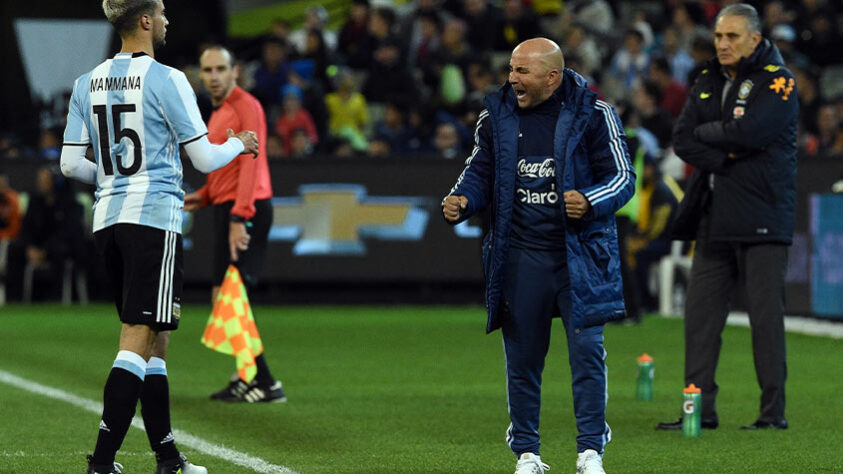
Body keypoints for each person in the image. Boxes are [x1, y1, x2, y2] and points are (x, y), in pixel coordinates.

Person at [59, 1, 259, 473]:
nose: (168, 21)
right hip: (152, 218)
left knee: (155, 338)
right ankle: (102, 463)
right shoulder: (167, 79)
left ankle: (168, 459)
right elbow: (206, 160)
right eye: (163, 13)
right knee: (137, 338)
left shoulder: (86, 82)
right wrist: (240, 143)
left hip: (108, 221)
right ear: (145, 21)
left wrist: (112, 182)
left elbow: (69, 164)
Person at [442, 38, 634, 474]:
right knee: (523, 358)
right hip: (520, 256)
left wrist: (588, 199)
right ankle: (527, 453)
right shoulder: (497, 115)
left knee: (587, 352)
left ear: (552, 77)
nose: (511, 79)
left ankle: (590, 451)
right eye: (510, 70)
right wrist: (463, 200)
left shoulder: (594, 114)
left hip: (579, 256)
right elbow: (479, 171)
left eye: (521, 72)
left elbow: (623, 177)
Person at [656, 3, 797, 432]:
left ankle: (772, 414)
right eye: (719, 36)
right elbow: (683, 140)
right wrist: (728, 149)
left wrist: (713, 137)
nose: (723, 44)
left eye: (732, 37)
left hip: (762, 216)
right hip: (713, 215)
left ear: (755, 39)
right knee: (699, 320)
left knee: (765, 320)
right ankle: (699, 411)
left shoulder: (779, 81)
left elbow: (752, 132)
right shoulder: (707, 79)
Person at [186, 45, 285, 403]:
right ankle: (250, 376)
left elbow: (250, 163)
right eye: (207, 70)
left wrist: (239, 217)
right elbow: (222, 165)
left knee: (229, 297)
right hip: (228, 206)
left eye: (219, 69)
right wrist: (206, 196)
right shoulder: (219, 113)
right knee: (224, 298)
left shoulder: (246, 106)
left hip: (248, 208)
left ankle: (263, 380)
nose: (213, 76)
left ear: (235, 71)